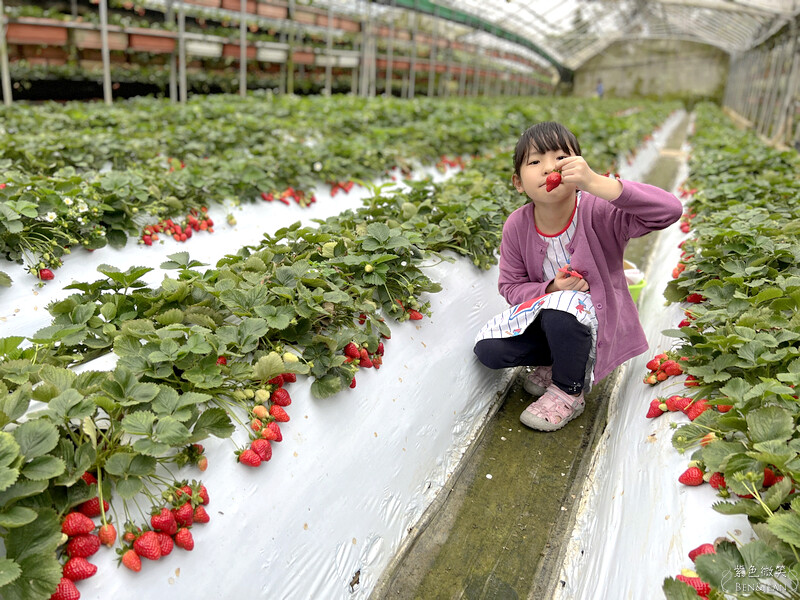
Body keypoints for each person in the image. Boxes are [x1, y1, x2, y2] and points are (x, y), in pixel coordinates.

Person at [473, 122, 682, 431]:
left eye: (560, 158)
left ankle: (569, 391)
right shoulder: (517, 226)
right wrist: (553, 286)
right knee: (490, 350)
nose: (548, 168)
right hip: (549, 320)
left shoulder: (599, 210)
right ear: (518, 183)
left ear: (579, 167)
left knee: (561, 312)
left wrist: (600, 184)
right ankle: (560, 361)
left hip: (594, 324)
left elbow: (669, 210)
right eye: (535, 162)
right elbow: (510, 286)